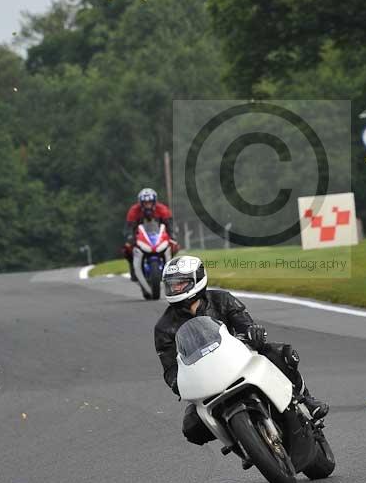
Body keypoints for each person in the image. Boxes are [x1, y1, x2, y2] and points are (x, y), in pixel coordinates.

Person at [154, 254, 329, 446]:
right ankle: (239, 439)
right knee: (191, 428)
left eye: (180, 283)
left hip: (240, 360)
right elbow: (170, 367)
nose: (175, 288)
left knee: (282, 354)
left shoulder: (222, 300)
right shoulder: (164, 327)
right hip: (205, 379)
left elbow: (246, 324)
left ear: (197, 280)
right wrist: (176, 382)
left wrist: (253, 332)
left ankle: (305, 400)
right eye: (171, 284)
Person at [123, 188, 176, 281]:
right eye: (145, 203)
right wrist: (130, 238)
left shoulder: (162, 209)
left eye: (150, 202)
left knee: (174, 246)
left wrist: (172, 236)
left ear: (154, 202)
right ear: (141, 203)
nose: (148, 205)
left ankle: (170, 267)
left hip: (158, 236)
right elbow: (129, 227)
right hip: (140, 237)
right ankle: (134, 269)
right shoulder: (134, 211)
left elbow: (170, 225)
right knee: (127, 249)